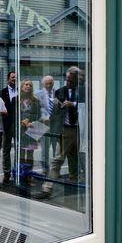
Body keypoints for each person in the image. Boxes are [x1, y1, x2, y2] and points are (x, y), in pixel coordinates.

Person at [37, 67, 81, 200]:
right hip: (65, 129)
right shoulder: (60, 91)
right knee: (57, 159)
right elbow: (54, 114)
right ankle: (47, 188)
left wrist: (73, 104)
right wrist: (57, 108)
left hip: (80, 130)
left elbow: (90, 106)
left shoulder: (83, 91)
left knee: (75, 158)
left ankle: (74, 182)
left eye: (71, 81)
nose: (68, 83)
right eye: (67, 80)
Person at [16, 79, 41, 186]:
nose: (28, 86)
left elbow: (38, 115)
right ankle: (21, 176)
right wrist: (21, 121)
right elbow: (14, 114)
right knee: (21, 155)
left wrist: (32, 122)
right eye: (26, 85)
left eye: (30, 85)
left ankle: (29, 177)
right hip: (20, 130)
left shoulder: (35, 100)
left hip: (31, 130)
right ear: (22, 86)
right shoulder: (17, 99)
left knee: (30, 155)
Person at [35, 75, 60, 174]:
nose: (49, 85)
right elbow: (37, 110)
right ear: (42, 84)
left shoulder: (58, 93)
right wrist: (42, 118)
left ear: (53, 83)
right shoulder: (37, 95)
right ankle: (45, 170)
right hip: (43, 124)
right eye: (47, 84)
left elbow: (60, 108)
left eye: (50, 83)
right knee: (44, 149)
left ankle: (54, 170)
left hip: (55, 125)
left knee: (56, 149)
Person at [0, 72, 17, 183]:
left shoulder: (21, 91)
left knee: (18, 150)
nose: (14, 79)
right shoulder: (2, 92)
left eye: (16, 77)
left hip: (19, 125)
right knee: (6, 150)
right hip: (7, 125)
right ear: (8, 79)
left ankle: (17, 172)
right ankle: (7, 173)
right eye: (12, 77)